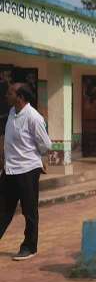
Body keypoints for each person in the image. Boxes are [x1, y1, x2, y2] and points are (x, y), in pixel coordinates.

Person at [0, 82, 52, 260]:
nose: (6, 95)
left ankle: (29, 247)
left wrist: (37, 158)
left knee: (29, 211)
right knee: (3, 209)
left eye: (10, 93)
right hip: (10, 169)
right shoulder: (12, 113)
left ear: (20, 97)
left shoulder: (34, 117)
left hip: (27, 170)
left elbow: (46, 145)